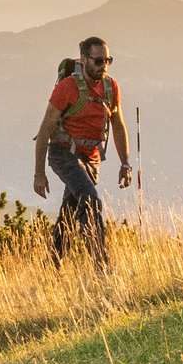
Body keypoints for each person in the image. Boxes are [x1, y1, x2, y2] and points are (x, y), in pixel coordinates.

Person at [32, 36, 131, 268]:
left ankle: (52, 266)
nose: (104, 66)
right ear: (84, 59)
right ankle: (101, 266)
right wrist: (39, 173)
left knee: (70, 211)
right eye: (98, 61)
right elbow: (45, 130)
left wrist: (125, 163)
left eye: (108, 60)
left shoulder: (111, 87)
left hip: (91, 157)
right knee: (90, 199)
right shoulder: (68, 88)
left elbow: (118, 125)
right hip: (63, 152)